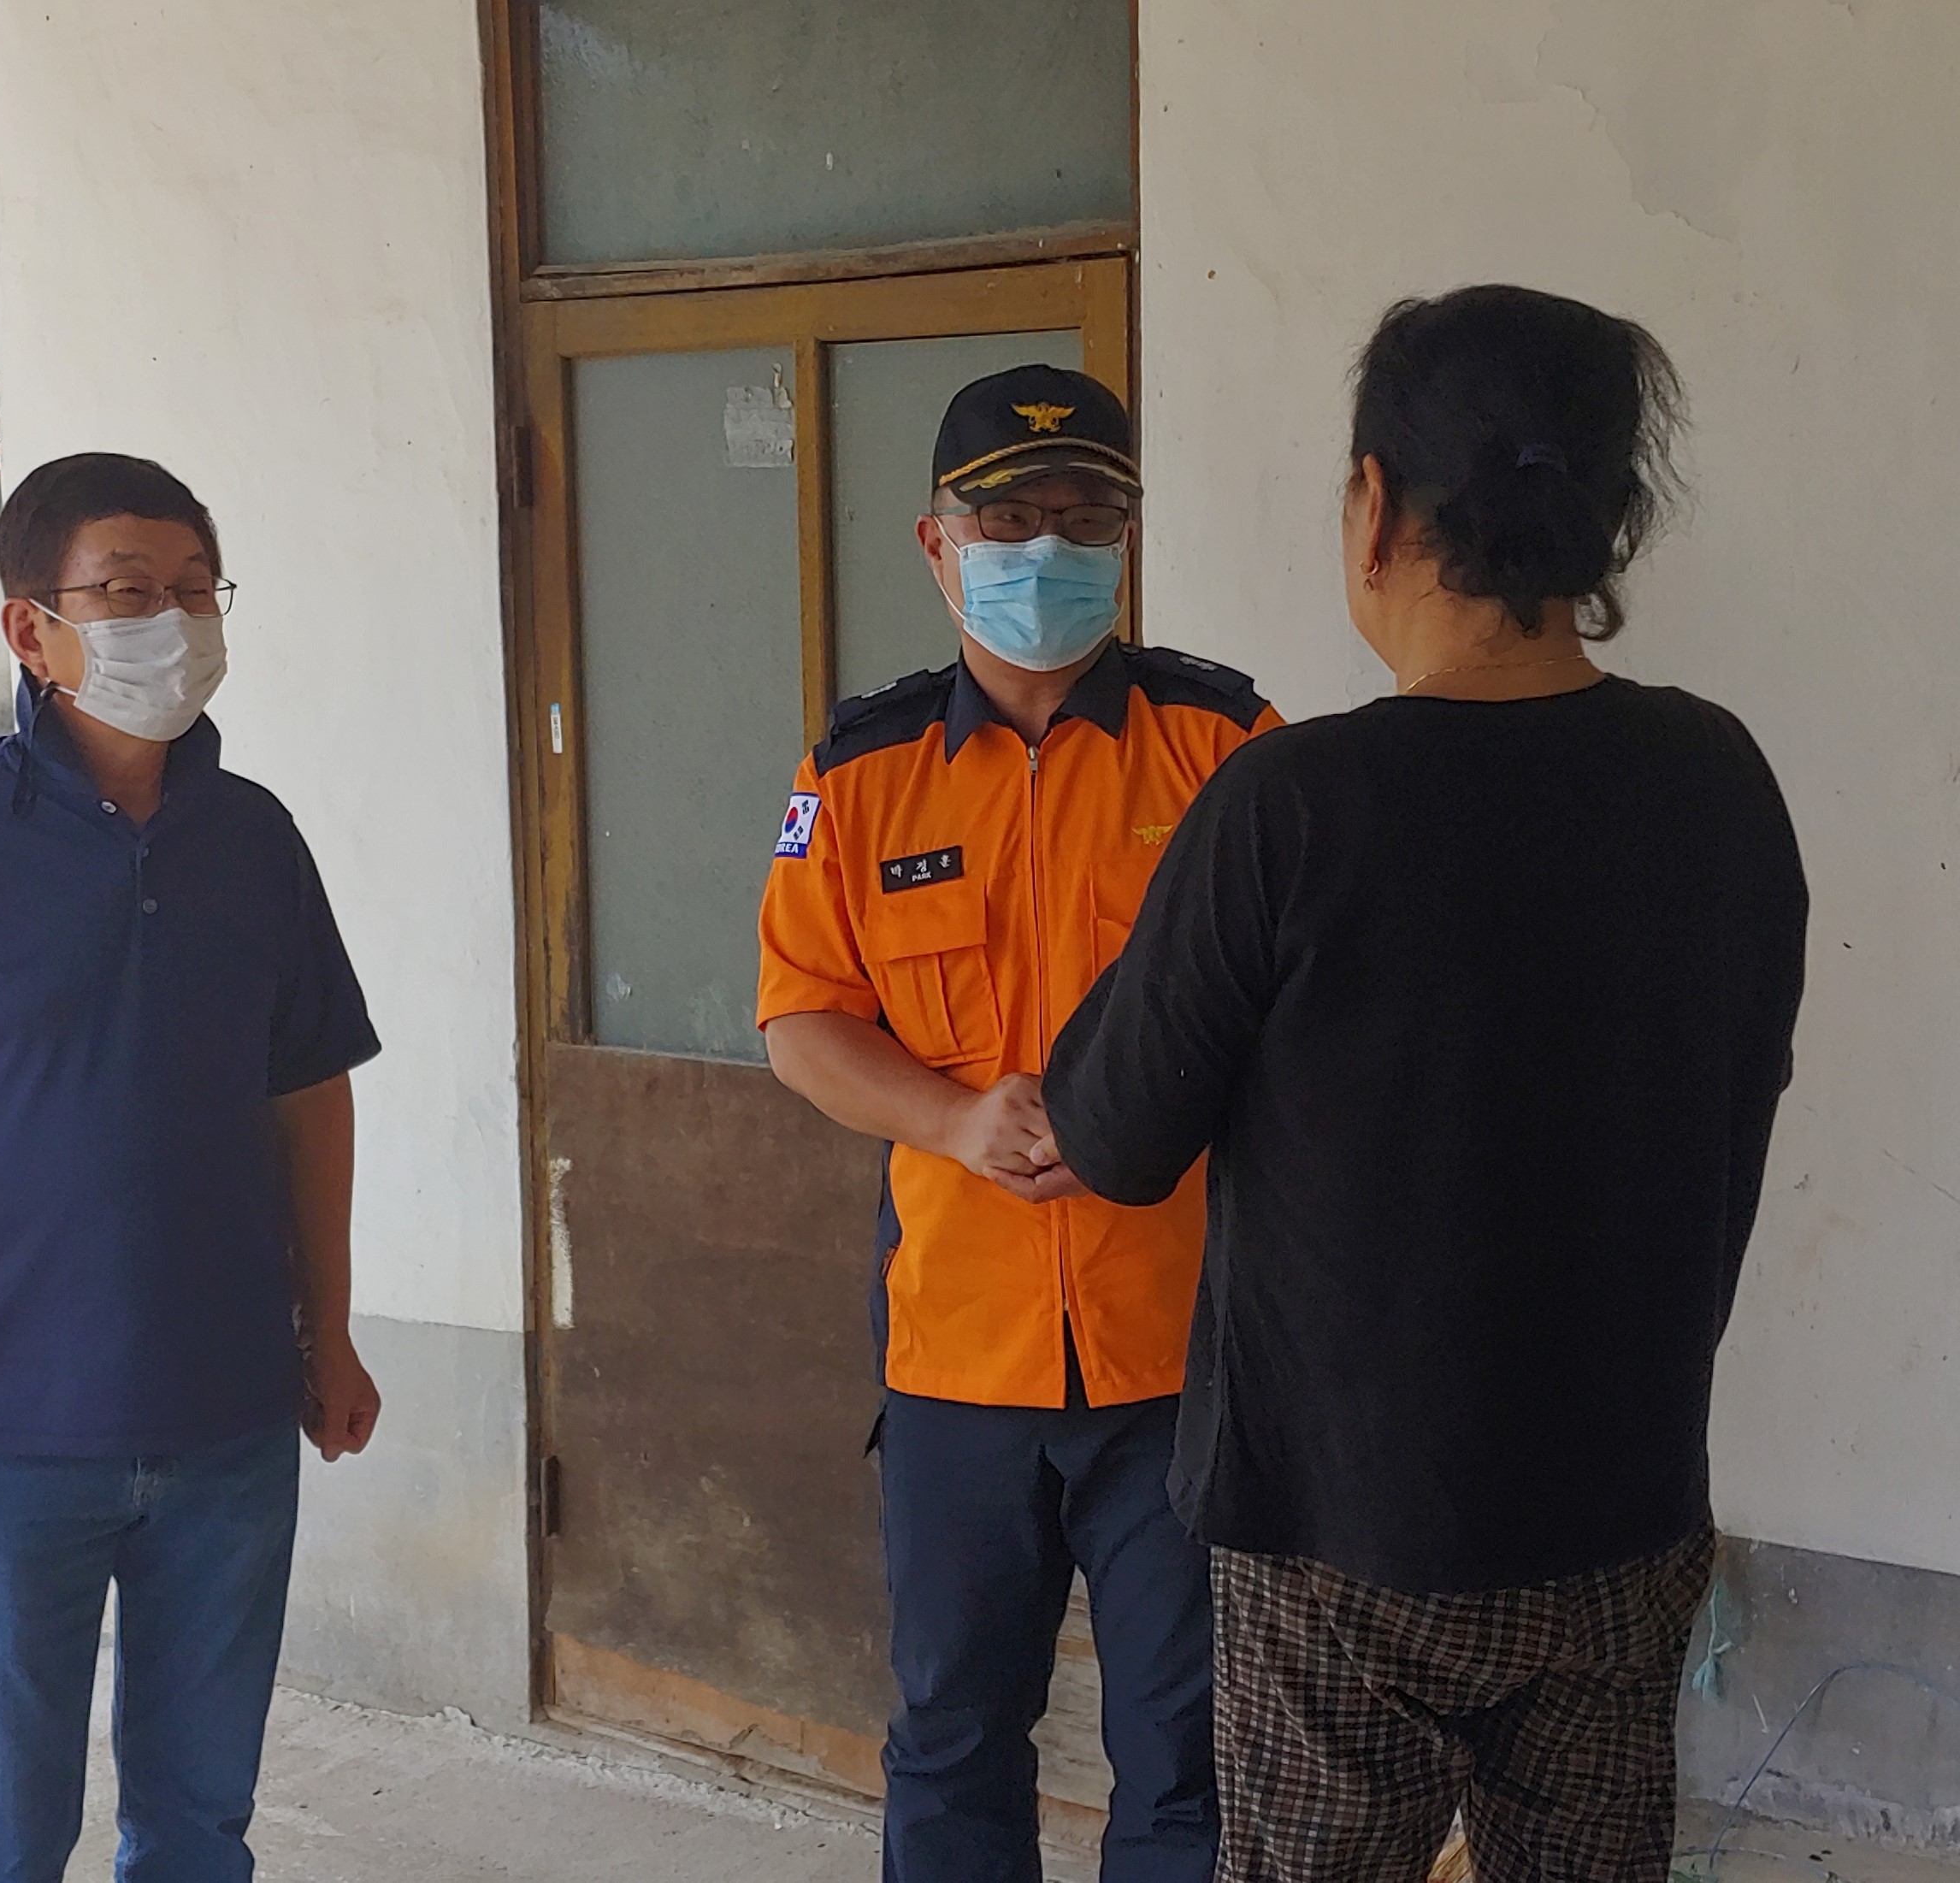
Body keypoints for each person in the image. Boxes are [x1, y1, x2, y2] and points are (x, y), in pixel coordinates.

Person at [1043, 287, 1809, 1883]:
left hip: (1339, 1538)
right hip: (1621, 1508)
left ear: (1378, 506)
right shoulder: (1720, 781)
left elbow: (1111, 1132)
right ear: (1606, 519)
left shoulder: (1291, 805)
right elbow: (1743, 1090)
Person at [0, 452, 385, 1883]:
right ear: (32, 627)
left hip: (232, 1425)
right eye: (129, 591)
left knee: (198, 1827)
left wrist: (329, 1329)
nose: (171, 622)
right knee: (3, 1837)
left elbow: (309, 1092)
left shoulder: (254, 839)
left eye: (196, 589)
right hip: (7, 1439)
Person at [757, 364, 1281, 1883]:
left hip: (1178, 1356)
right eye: (1007, 517)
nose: (1046, 546)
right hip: (956, 1360)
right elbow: (800, 1021)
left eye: (1085, 514)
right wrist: (950, 1118)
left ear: (1127, 537)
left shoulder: (1229, 749)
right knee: (951, 1736)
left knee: (1189, 1757)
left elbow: (1309, 1012)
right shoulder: (858, 774)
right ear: (938, 544)